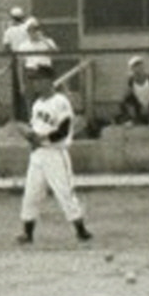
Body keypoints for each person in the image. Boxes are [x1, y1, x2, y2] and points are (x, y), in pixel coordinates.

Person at [16, 57, 92, 245]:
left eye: (38, 79)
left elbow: (63, 131)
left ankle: (81, 230)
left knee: (64, 191)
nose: (35, 83)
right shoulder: (37, 104)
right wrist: (30, 136)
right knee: (31, 192)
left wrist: (41, 138)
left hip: (56, 154)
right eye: (33, 79)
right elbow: (35, 130)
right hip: (38, 155)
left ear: (49, 80)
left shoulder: (60, 102)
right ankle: (27, 232)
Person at [118, 55, 149, 126]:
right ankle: (131, 120)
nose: (138, 69)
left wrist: (146, 106)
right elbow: (128, 93)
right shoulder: (130, 80)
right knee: (125, 100)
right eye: (135, 67)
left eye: (140, 66)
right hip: (138, 106)